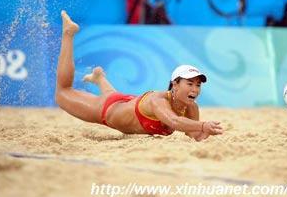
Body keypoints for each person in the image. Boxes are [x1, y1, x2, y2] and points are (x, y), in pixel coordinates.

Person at [55, 10, 223, 141]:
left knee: (116, 98)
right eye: (190, 83)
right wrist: (203, 125)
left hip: (127, 102)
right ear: (175, 84)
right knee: (63, 92)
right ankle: (68, 34)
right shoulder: (158, 101)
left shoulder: (191, 107)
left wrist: (203, 132)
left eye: (198, 85)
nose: (195, 89)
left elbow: (193, 135)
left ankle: (99, 78)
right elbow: (175, 122)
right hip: (107, 110)